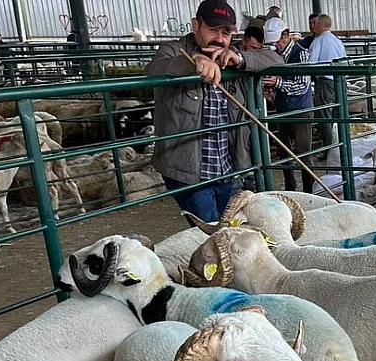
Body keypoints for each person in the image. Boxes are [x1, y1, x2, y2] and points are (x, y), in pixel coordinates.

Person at [144, 0, 282, 224]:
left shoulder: (231, 55)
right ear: (196, 25)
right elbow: (154, 69)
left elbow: (276, 59)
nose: (220, 38)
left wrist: (241, 59)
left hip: (228, 167)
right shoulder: (172, 50)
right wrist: (193, 62)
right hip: (188, 172)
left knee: (231, 229)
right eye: (213, 30)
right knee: (211, 231)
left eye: (226, 32)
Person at [263, 22, 315, 192]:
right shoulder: (275, 55)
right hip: (283, 110)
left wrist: (277, 82)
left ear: (286, 35)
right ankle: (290, 187)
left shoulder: (301, 54)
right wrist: (270, 92)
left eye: (277, 40)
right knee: (283, 151)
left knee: (303, 153)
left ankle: (308, 190)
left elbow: (302, 85)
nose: (275, 44)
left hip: (301, 111)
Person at [306, 14, 347, 162]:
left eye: (315, 23)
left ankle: (328, 151)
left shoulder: (318, 41)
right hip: (339, 81)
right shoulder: (337, 41)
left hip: (325, 82)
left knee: (325, 117)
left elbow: (311, 62)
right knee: (338, 116)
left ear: (321, 24)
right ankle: (341, 148)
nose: (313, 26)